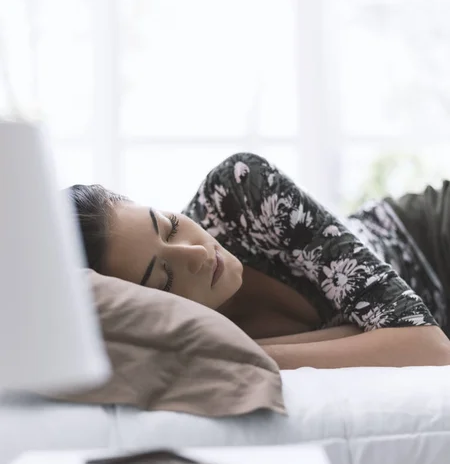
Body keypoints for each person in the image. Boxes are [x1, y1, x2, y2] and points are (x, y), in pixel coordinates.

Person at [67, 152, 450, 370]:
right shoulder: (178, 335)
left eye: (169, 226)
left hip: (431, 237)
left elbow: (430, 348)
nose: (198, 253)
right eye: (164, 279)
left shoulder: (239, 192)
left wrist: (239, 353)